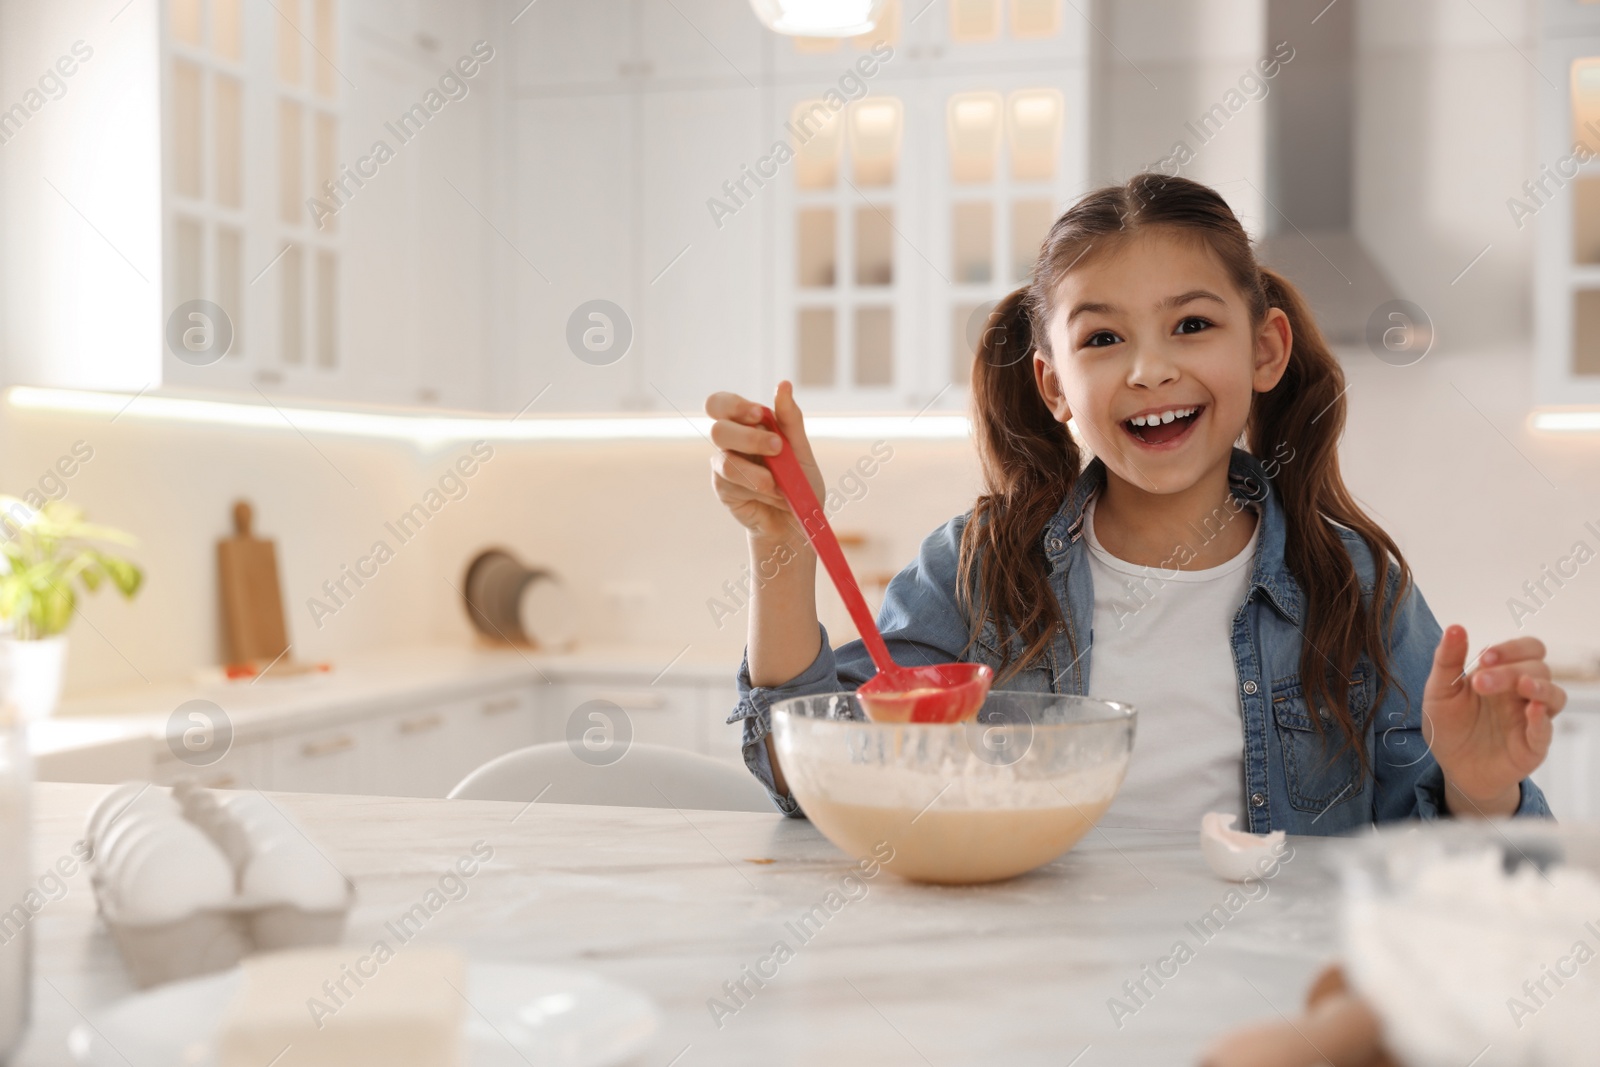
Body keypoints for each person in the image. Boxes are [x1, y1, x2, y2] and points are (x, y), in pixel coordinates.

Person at [705, 174, 1563, 833]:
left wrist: (1481, 786)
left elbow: (1423, 866)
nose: (1150, 369)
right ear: (1053, 385)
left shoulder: (1352, 583)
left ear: (1264, 349)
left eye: (1192, 325)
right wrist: (780, 545)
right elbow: (806, 776)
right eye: (1104, 338)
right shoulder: (980, 568)